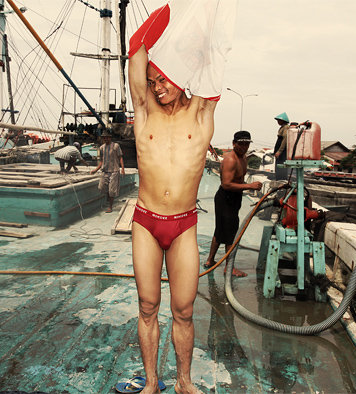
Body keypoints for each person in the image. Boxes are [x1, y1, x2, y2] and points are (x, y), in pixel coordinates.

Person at [127, 1, 237, 392]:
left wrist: (210, 15)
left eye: (165, 79)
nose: (158, 87)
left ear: (182, 76)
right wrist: (170, 13)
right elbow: (136, 48)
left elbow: (217, 53)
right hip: (146, 221)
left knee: (184, 310)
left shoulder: (202, 115)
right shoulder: (144, 112)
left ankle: (183, 381)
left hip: (183, 225)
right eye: (154, 80)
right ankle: (152, 382)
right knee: (147, 307)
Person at [204, 130, 263, 277]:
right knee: (230, 233)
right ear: (233, 143)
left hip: (234, 198)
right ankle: (229, 268)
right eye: (241, 144)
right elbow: (226, 184)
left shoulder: (243, 158)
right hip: (226, 198)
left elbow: (238, 179)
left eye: (246, 144)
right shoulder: (231, 159)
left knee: (221, 230)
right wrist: (250, 186)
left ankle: (210, 260)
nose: (244, 147)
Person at [90, 130, 125, 213]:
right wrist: (96, 170)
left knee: (112, 190)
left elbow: (120, 157)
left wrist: (122, 169)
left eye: (107, 137)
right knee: (101, 187)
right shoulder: (102, 148)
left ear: (110, 138)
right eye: (104, 137)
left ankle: (110, 206)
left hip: (114, 171)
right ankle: (108, 199)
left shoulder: (116, 146)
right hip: (105, 171)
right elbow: (102, 160)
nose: (105, 139)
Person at [273, 112, 290, 181]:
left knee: (281, 168)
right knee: (278, 168)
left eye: (279, 120)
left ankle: (282, 181)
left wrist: (279, 151)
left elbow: (285, 140)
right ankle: (279, 180)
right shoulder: (282, 128)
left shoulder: (286, 127)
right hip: (280, 153)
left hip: (282, 153)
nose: (278, 122)